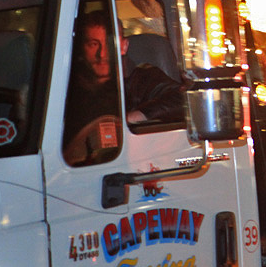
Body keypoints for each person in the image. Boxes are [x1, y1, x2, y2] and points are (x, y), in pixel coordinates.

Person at [62, 12, 183, 164]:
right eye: (93, 44)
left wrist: (131, 118)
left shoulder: (143, 79)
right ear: (82, 49)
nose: (102, 53)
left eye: (110, 43)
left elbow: (184, 99)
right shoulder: (65, 89)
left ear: (124, 47)